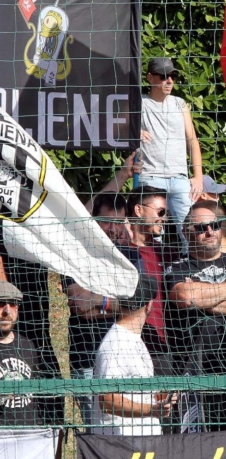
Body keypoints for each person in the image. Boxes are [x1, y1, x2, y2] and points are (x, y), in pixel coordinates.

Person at [165, 202, 226, 424]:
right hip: (193, 373)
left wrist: (202, 300)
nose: (210, 232)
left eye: (214, 225)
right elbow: (185, 297)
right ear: (186, 232)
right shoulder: (178, 267)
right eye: (201, 228)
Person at [64, 193, 142, 425]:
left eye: (118, 222)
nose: (113, 229)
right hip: (87, 356)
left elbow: (137, 307)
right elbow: (80, 305)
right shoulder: (75, 256)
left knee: (127, 426)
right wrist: (118, 304)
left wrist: (98, 300)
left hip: (124, 356)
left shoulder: (131, 257)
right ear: (94, 220)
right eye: (107, 221)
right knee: (95, 428)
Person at [93, 276, 177, 436]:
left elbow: (139, 393)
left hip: (140, 443)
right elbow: (107, 400)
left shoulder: (134, 340)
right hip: (121, 444)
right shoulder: (116, 343)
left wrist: (164, 396)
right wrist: (152, 410)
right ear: (149, 305)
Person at [137, 57, 205, 248]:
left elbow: (192, 140)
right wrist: (132, 132)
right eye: (163, 76)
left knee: (192, 233)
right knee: (151, 235)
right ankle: (151, 266)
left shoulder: (179, 104)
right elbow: (114, 128)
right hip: (150, 177)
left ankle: (190, 265)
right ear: (150, 78)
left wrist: (198, 177)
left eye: (173, 76)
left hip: (180, 179)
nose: (169, 81)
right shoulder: (139, 103)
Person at [127, 186, 172, 356]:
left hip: (164, 347)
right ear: (139, 210)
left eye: (166, 214)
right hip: (128, 345)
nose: (164, 219)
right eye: (160, 212)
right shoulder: (120, 254)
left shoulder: (168, 254)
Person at [0, 280, 39, 427]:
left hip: (29, 432)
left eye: (12, 304)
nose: (7, 311)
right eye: (1, 304)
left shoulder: (28, 345)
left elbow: (37, 395)